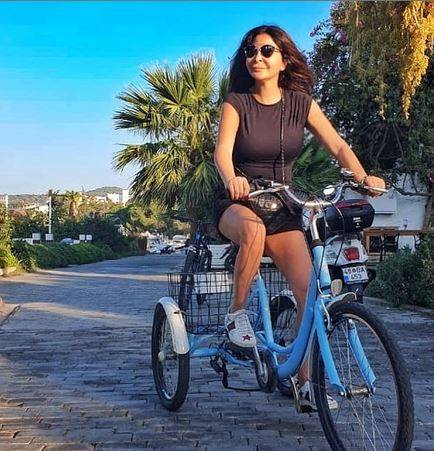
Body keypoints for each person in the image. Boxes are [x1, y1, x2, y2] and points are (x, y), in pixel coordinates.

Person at [213, 25, 385, 409]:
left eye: (266, 50)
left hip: (283, 205)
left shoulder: (300, 104)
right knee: (253, 230)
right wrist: (232, 179)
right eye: (250, 51)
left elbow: (338, 145)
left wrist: (363, 178)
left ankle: (305, 382)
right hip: (239, 201)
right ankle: (236, 314)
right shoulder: (237, 103)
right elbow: (223, 151)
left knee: (310, 295)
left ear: (283, 60)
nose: (256, 57)